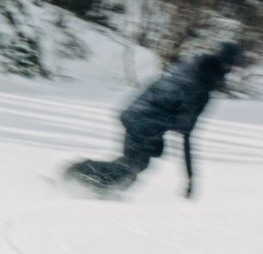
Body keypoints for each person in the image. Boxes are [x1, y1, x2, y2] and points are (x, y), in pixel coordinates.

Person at [64, 43, 244, 198]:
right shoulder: (200, 88)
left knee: (132, 163)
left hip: (135, 114)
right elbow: (185, 131)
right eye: (235, 65)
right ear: (227, 65)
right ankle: (80, 174)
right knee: (134, 166)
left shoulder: (190, 70)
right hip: (146, 122)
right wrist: (189, 179)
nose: (234, 70)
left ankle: (98, 187)